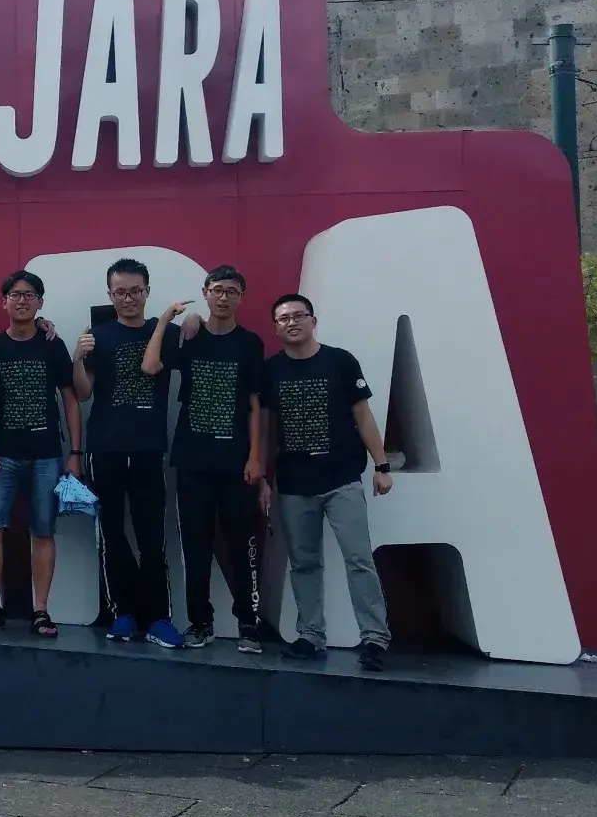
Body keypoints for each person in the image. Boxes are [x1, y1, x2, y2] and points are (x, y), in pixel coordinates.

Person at [260, 293, 393, 671]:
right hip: (294, 484)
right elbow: (267, 430)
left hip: (342, 480)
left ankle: (375, 638)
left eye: (298, 315)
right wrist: (265, 479)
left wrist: (381, 464)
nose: (291, 322)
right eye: (283, 318)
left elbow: (363, 415)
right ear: (276, 328)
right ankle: (310, 635)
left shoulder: (340, 361)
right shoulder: (271, 371)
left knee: (359, 560)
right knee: (304, 563)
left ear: (313, 321)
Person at [144, 264, 266, 653]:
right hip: (192, 461)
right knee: (195, 546)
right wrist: (168, 319)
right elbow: (150, 366)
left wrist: (256, 458)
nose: (224, 297)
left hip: (235, 462)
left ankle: (248, 624)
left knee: (239, 544)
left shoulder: (250, 344)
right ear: (205, 293)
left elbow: (255, 404)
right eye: (217, 290)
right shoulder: (189, 336)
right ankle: (200, 623)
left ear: (241, 298)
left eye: (232, 291)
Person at [73, 258, 185, 650]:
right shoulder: (97, 336)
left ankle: (158, 618)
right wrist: (77, 356)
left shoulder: (166, 332)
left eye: (135, 291)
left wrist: (185, 319)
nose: (128, 298)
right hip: (104, 447)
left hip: (148, 448)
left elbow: (165, 359)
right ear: (110, 294)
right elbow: (83, 392)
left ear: (147, 292)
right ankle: (121, 612)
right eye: (120, 292)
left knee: (152, 537)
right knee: (111, 534)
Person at [0, 271, 82, 638]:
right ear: (4, 302)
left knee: (44, 531)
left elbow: (70, 399)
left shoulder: (52, 345)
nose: (22, 300)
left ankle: (41, 610)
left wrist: (75, 452)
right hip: (2, 457)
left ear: (40, 302)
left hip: (46, 456)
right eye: (15, 295)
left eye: (30, 295)